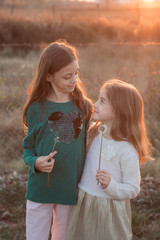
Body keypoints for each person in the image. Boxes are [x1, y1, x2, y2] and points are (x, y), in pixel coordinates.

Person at [22, 40, 92, 240]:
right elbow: (27, 149)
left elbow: (89, 146)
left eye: (77, 73)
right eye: (68, 76)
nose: (75, 80)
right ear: (48, 76)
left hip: (70, 190)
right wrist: (35, 162)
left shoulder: (83, 107)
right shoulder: (37, 109)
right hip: (40, 189)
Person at [66, 79, 152, 240]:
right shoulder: (92, 133)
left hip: (107, 210)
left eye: (102, 101)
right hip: (84, 202)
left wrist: (111, 185)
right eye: (98, 98)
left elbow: (133, 188)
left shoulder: (127, 150)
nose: (95, 104)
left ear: (119, 110)